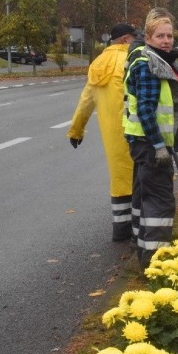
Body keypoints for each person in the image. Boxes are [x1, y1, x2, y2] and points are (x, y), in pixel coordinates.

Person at [123, 8, 178, 265]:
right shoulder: (149, 64)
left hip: (149, 143)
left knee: (148, 197)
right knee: (160, 201)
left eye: (169, 35)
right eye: (160, 36)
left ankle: (145, 254)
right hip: (150, 144)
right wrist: (158, 146)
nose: (166, 40)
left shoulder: (157, 59)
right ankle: (156, 262)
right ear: (149, 37)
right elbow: (145, 108)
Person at [67, 23, 137, 243]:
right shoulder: (133, 60)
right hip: (136, 130)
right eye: (134, 38)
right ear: (126, 39)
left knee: (119, 178)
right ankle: (138, 229)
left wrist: (76, 130)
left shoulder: (97, 64)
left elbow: (86, 99)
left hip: (112, 135)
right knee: (139, 178)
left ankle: (121, 228)